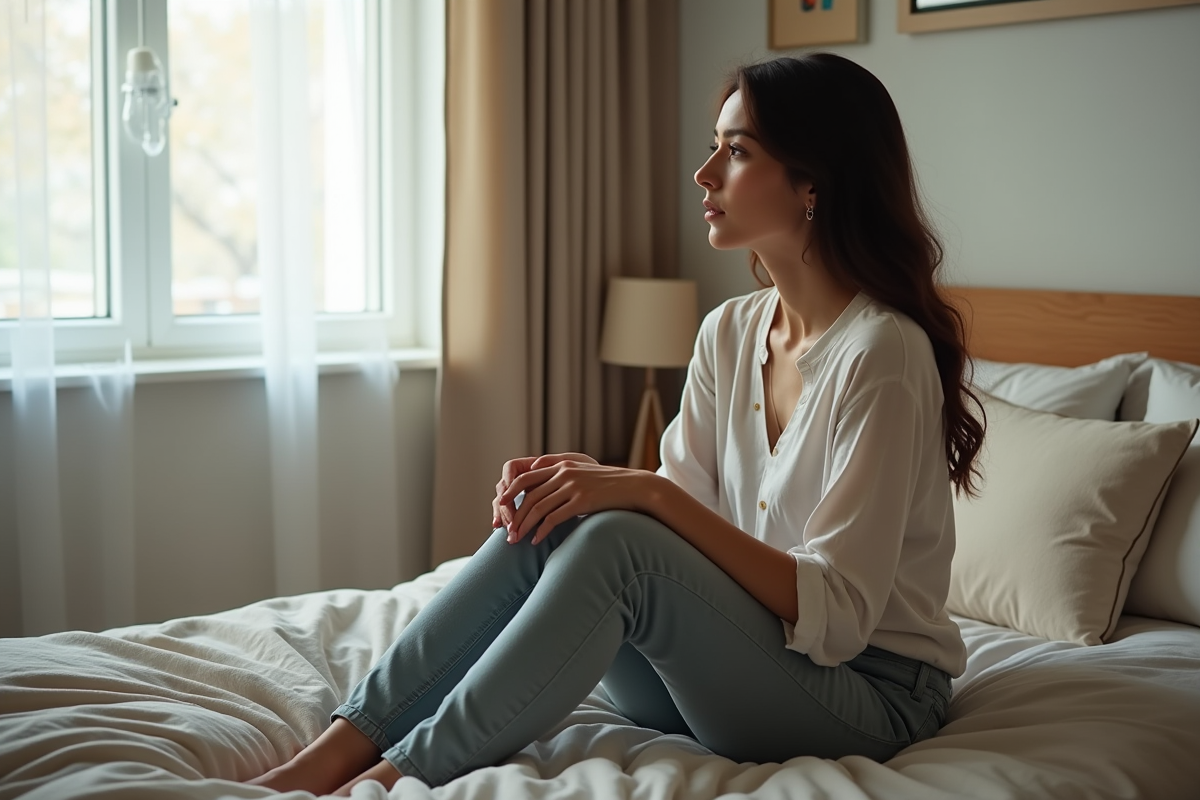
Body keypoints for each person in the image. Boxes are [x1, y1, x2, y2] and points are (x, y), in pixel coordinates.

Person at [247, 52, 985, 796]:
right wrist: (590, 487)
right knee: (563, 521)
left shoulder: (882, 353)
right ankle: (333, 754)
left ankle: (394, 777)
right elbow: (673, 531)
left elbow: (842, 616)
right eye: (714, 146)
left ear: (813, 183)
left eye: (736, 151)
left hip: (870, 695)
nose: (703, 174)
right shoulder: (730, 332)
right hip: (733, 674)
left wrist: (643, 493)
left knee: (621, 536)